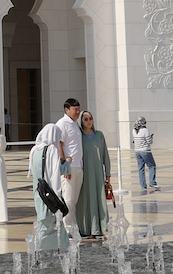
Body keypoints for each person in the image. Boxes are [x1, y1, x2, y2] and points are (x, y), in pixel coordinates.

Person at [25, 126, 68, 251]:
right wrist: (58, 197)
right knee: (45, 228)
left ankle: (66, 252)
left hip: (39, 195)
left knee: (59, 226)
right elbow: (54, 174)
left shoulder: (34, 150)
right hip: (50, 197)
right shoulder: (52, 150)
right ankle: (34, 252)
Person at [73, 111, 113, 238]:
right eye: (86, 119)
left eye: (90, 118)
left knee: (100, 199)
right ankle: (88, 229)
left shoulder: (99, 135)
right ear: (81, 121)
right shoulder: (80, 136)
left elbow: (105, 154)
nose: (89, 121)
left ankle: (103, 228)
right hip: (85, 174)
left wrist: (108, 173)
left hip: (98, 174)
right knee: (86, 201)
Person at [52, 98, 83, 231]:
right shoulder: (62, 124)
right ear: (67, 110)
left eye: (78, 109)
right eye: (75, 110)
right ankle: (67, 228)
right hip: (69, 167)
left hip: (78, 166)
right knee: (68, 198)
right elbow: (59, 145)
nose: (78, 112)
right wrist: (65, 167)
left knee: (74, 199)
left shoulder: (75, 124)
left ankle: (73, 226)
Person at [130, 117, 157, 192]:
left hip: (137, 151)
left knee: (141, 168)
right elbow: (149, 142)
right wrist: (151, 138)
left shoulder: (134, 130)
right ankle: (152, 182)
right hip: (145, 151)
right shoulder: (145, 130)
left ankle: (143, 185)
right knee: (152, 166)